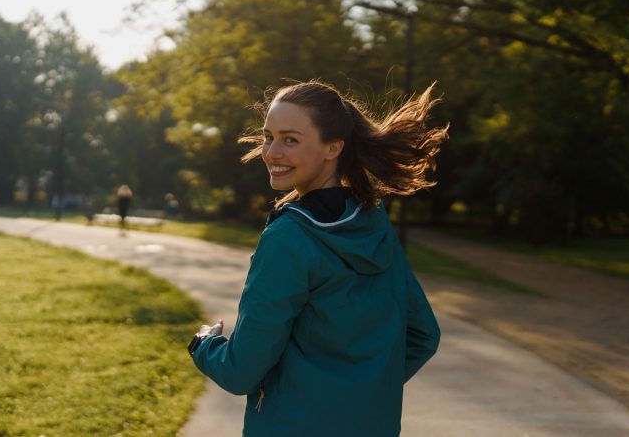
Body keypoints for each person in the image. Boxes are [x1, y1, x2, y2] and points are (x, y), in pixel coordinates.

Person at [188, 80, 448, 436]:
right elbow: (423, 335)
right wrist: (356, 393)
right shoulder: (373, 221)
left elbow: (240, 371)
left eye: (290, 140)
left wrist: (204, 344)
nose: (271, 152)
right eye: (268, 137)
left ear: (333, 148)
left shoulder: (287, 239)